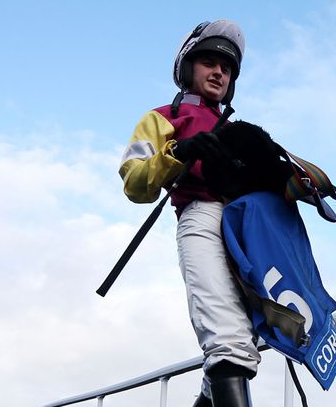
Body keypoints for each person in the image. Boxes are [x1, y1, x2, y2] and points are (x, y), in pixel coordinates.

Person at [118, 20, 258, 407]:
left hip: (247, 230)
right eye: (209, 63)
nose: (218, 73)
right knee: (228, 340)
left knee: (248, 337)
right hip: (202, 217)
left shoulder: (239, 131)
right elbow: (135, 183)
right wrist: (179, 152)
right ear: (187, 68)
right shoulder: (162, 117)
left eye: (226, 69)